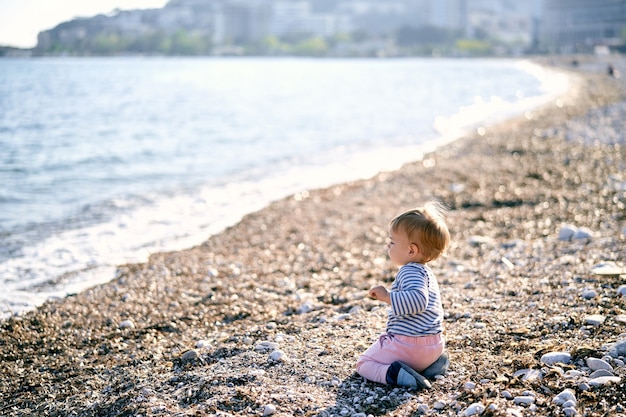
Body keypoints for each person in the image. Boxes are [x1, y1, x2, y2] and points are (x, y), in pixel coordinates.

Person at [356, 201, 451, 389]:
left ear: (411, 250)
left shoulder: (409, 271)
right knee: (421, 354)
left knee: (363, 364)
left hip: (410, 347)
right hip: (434, 346)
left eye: (392, 242)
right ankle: (433, 365)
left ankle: (396, 375)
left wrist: (387, 296)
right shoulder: (426, 273)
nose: (388, 245)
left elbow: (418, 301)